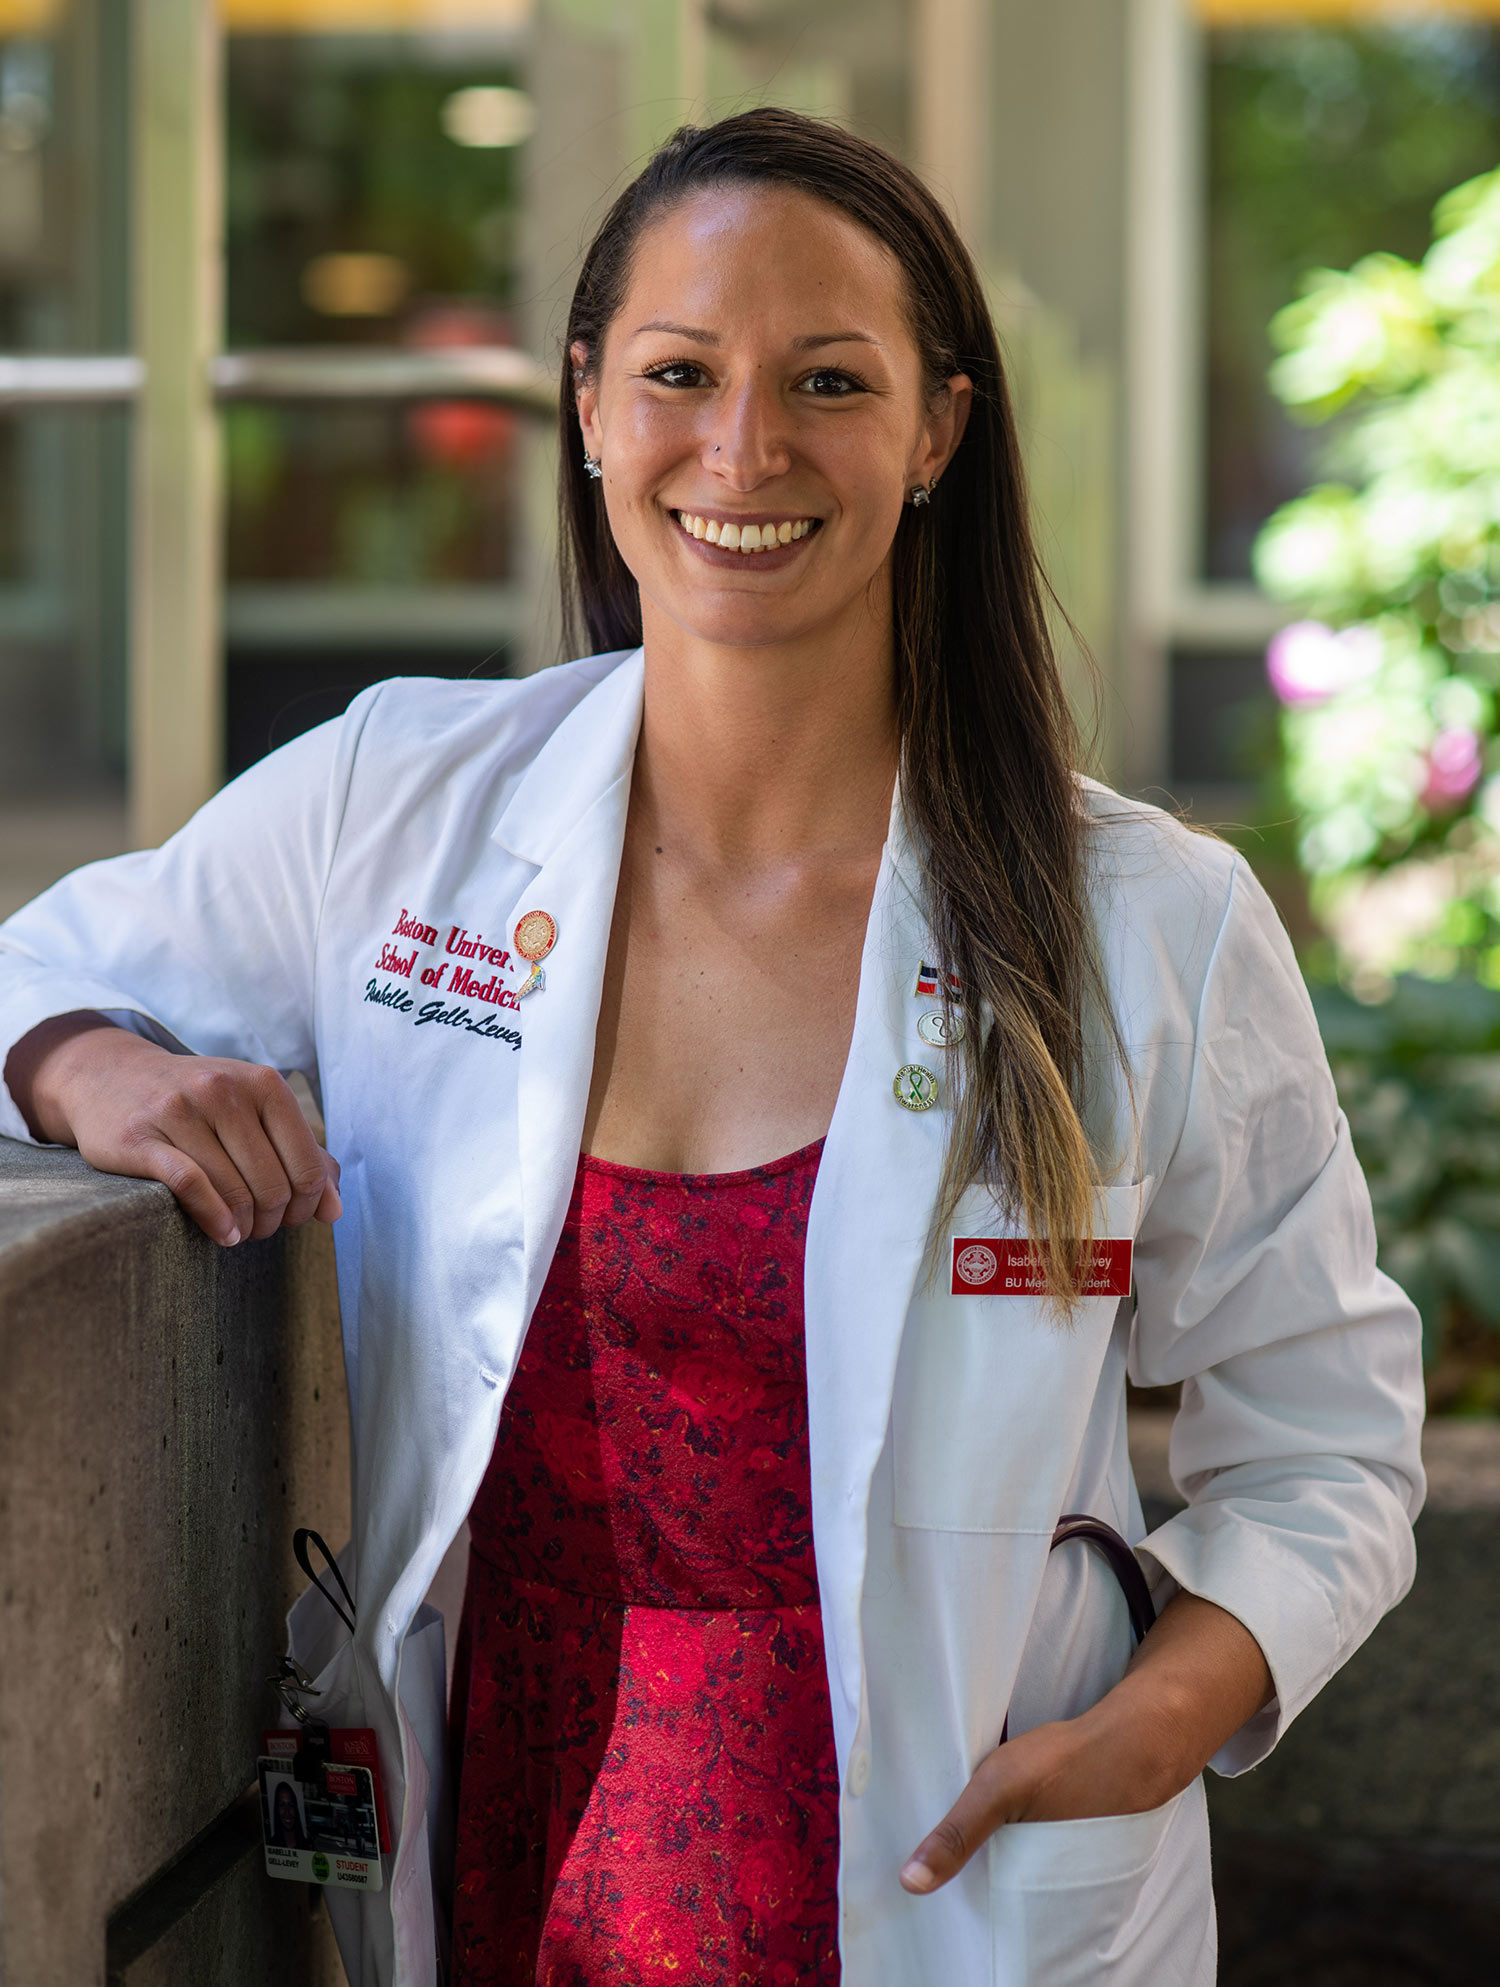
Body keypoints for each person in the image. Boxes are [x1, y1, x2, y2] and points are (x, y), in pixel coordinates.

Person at [0, 109, 1423, 1987]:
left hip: (960, 1872)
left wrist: (1168, 1710)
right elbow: (37, 972)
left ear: (937, 431)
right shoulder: (403, 805)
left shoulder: (1141, 920)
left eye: (829, 380)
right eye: (681, 373)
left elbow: (1326, 1430)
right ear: (589, 404)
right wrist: (86, 1066)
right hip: (515, 1844)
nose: (743, 448)